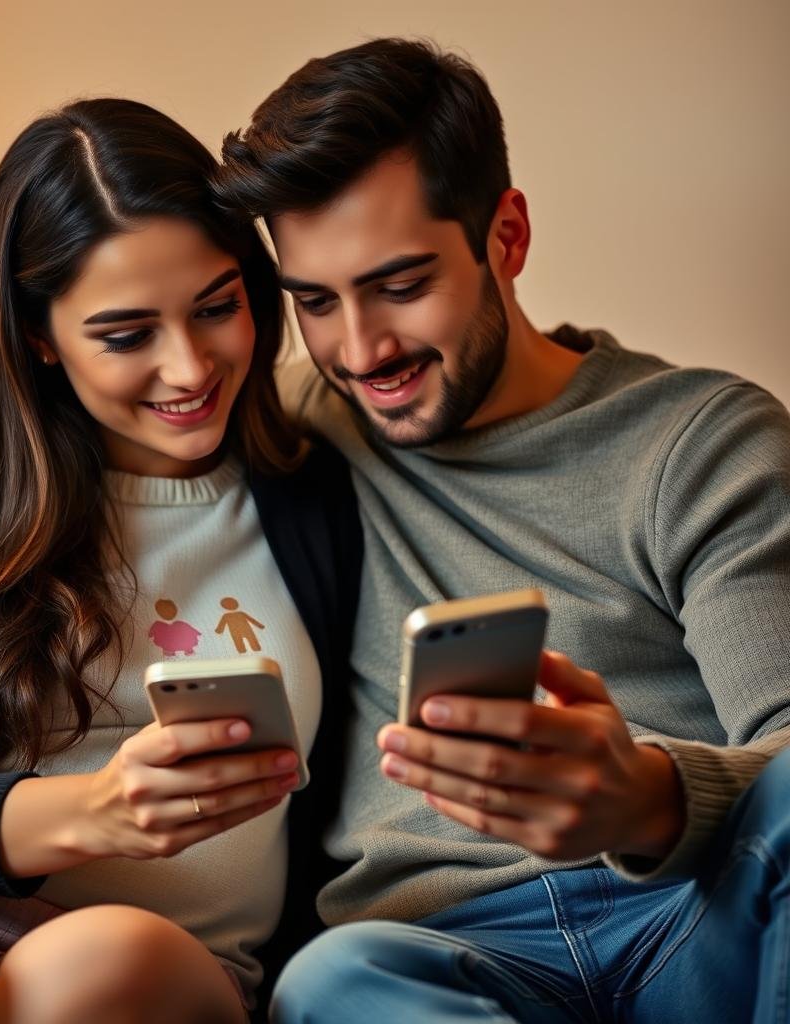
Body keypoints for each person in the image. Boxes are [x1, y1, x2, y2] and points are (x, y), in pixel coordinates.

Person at [212, 38, 790, 1023]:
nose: (362, 350)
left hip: (691, 914)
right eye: (314, 301)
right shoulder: (295, 422)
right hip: (441, 951)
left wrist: (649, 801)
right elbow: (114, 387)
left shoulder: (696, 441)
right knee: (329, 981)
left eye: (400, 284)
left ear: (506, 236)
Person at [0, 97, 359, 1023]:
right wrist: (98, 811)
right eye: (127, 336)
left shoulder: (317, 481)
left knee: (108, 964)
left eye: (217, 307)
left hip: (153, 976)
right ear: (39, 335)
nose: (191, 368)